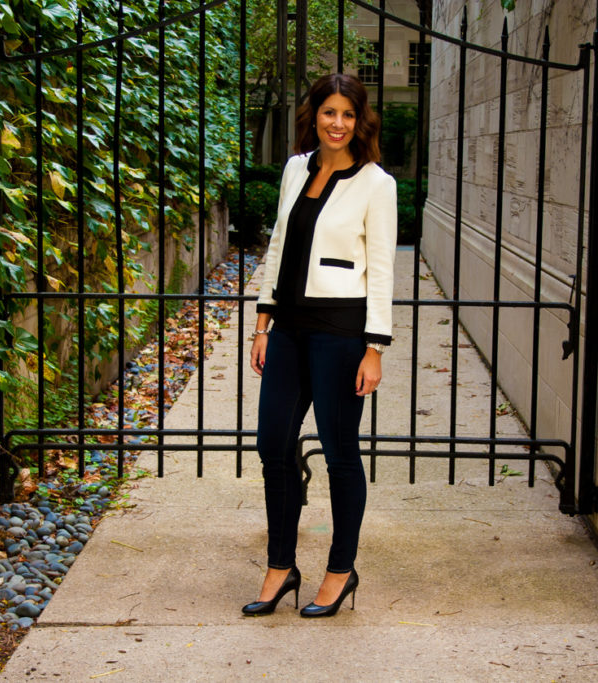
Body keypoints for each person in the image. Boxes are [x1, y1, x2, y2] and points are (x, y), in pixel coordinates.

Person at [242, 73, 397, 618]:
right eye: (329, 112)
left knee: (339, 453)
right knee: (273, 445)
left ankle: (340, 570)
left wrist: (374, 346)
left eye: (348, 115)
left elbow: (381, 269)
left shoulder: (377, 184)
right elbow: (278, 244)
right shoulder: (294, 168)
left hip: (341, 332)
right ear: (315, 115)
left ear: (360, 122)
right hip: (286, 328)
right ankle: (281, 567)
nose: (338, 123)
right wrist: (263, 321)